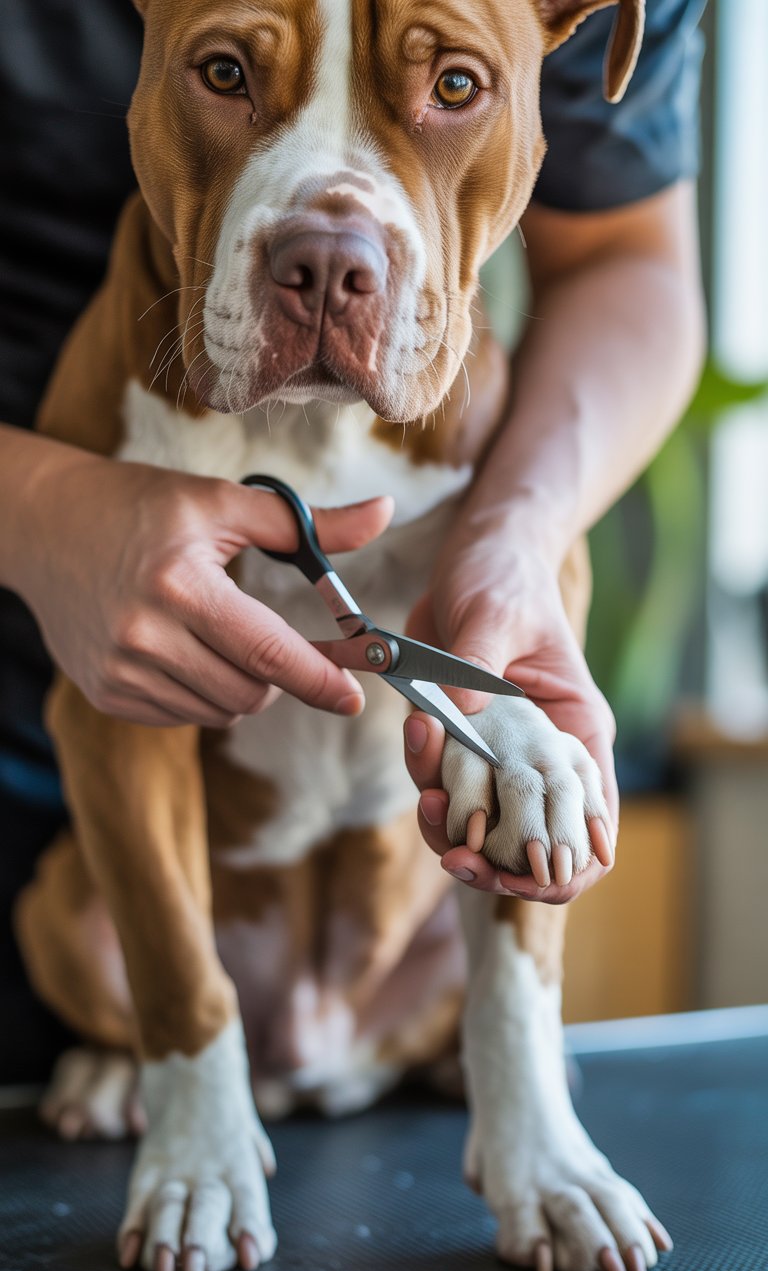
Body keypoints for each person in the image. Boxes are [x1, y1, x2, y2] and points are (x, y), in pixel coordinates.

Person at [0, 0, 706, 1079]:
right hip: (54, 794)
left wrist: (517, 532)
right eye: (231, 74)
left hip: (403, 950)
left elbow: (628, 254)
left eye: (454, 88)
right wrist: (33, 509)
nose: (332, 253)